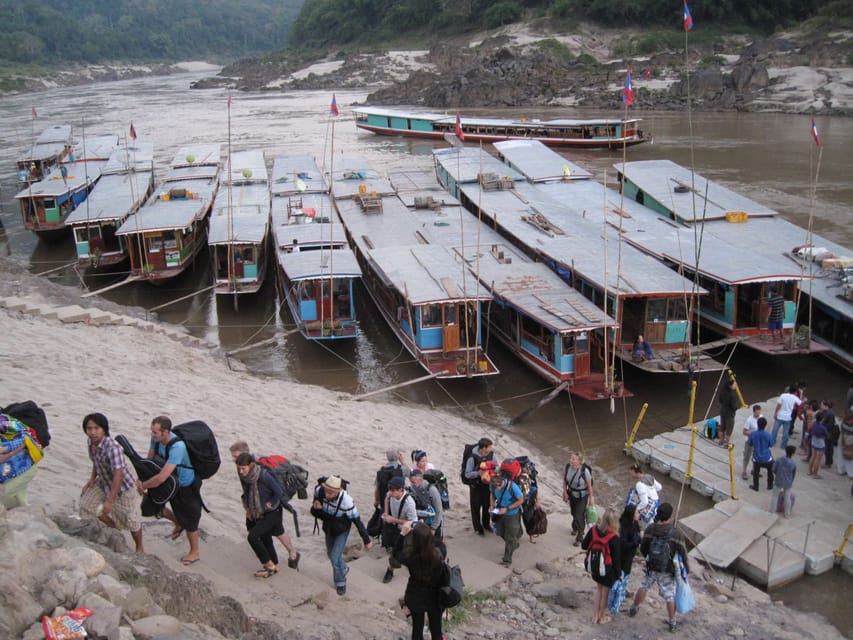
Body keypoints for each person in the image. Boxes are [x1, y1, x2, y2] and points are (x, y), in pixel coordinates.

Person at [136, 416, 202, 565]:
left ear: (165, 432)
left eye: (155, 433)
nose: (152, 435)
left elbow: (162, 477)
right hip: (169, 480)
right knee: (151, 508)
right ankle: (178, 522)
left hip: (185, 484)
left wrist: (144, 486)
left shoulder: (178, 447)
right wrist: (141, 478)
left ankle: (194, 552)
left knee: (190, 518)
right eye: (152, 432)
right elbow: (149, 460)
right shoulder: (156, 439)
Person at [228, 441, 300, 568]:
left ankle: (290, 553)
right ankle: (272, 560)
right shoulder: (241, 468)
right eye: (233, 456)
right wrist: (247, 507)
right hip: (256, 507)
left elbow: (276, 490)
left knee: (276, 532)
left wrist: (270, 503)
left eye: (235, 456)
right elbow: (246, 489)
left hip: (270, 509)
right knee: (261, 533)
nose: (233, 459)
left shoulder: (260, 471)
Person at [79, 413, 143, 553]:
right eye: (89, 428)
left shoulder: (113, 448)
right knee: (86, 505)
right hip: (103, 481)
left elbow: (118, 475)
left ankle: (139, 547)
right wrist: (91, 479)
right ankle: (112, 529)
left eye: (97, 428)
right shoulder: (91, 443)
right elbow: (96, 462)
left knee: (132, 521)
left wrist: (109, 500)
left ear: (104, 429)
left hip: (124, 488)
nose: (93, 432)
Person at [628, 503, 689, 632]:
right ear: (670, 516)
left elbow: (644, 548)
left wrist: (649, 557)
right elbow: (683, 552)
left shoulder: (650, 529)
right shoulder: (676, 533)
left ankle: (634, 608)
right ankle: (672, 622)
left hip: (652, 565)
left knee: (644, 586)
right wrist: (686, 570)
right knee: (669, 595)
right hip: (667, 568)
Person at [310, 474, 373, 595]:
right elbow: (314, 503)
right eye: (326, 491)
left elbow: (357, 520)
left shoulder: (346, 501)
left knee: (334, 556)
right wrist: (316, 505)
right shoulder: (319, 491)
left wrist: (367, 540)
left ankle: (340, 583)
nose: (327, 495)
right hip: (328, 527)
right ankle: (343, 567)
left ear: (338, 491)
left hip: (342, 529)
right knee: (330, 554)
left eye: (331, 493)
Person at [235, 452, 290, 577]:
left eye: (243, 468)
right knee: (264, 537)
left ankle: (269, 565)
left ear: (251, 465)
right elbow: (246, 493)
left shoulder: (264, 476)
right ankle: (274, 563)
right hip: (257, 512)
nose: (241, 471)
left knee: (253, 537)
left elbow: (278, 492)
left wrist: (271, 502)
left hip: (272, 513)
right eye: (239, 468)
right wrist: (248, 509)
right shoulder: (244, 477)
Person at [393, 521, 447, 640]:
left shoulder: (410, 557)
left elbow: (396, 553)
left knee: (417, 630)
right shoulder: (439, 554)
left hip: (416, 595)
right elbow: (440, 543)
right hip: (435, 596)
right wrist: (426, 533)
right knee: (436, 630)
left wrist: (403, 533)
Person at [582, 508, 621, 625]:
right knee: (605, 593)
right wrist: (619, 575)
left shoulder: (594, 530)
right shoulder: (614, 537)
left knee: (598, 591)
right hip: (607, 569)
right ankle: (602, 617)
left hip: (595, 567)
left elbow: (584, 545)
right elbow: (617, 559)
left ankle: (595, 617)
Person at [0, 413, 40, 509]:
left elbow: (26, 437)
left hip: (25, 468)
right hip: (7, 471)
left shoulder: (4, 422)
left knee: (5, 494)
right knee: (20, 502)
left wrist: (7, 455)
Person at [382, 475, 417, 583]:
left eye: (393, 490)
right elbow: (386, 498)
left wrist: (393, 519)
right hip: (394, 528)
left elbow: (413, 522)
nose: (391, 492)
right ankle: (391, 569)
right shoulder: (390, 494)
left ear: (401, 489)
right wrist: (386, 513)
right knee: (394, 551)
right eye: (390, 489)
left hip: (405, 531)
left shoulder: (409, 503)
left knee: (403, 552)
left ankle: (392, 570)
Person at [490, 464, 524, 567]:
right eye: (495, 488)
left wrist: (508, 508)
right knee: (500, 532)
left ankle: (507, 560)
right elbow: (491, 494)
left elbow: (521, 500)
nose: (497, 490)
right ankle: (515, 541)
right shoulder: (493, 485)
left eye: (499, 487)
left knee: (509, 537)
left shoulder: (513, 487)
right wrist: (491, 505)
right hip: (500, 512)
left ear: (502, 483)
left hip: (511, 514)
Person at [463, 437, 495, 536]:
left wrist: (492, 470)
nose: (491, 448)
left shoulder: (491, 455)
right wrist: (478, 473)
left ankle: (486, 524)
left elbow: (496, 465)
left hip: (487, 486)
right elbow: (467, 474)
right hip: (475, 486)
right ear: (483, 448)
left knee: (487, 506)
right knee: (475, 507)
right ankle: (478, 528)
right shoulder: (472, 458)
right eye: (489, 447)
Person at [563, 452, 594, 546]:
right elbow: (564, 480)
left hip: (582, 496)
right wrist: (564, 492)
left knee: (579, 515)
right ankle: (575, 527)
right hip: (572, 494)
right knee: (573, 512)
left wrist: (591, 498)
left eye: (573, 459)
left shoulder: (585, 472)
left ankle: (580, 537)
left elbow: (589, 486)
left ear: (579, 462)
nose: (571, 460)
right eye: (571, 458)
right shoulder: (568, 467)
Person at [408, 468, 444, 541]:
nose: (412, 484)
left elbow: (439, 510)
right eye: (411, 482)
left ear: (420, 480)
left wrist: (434, 528)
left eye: (413, 482)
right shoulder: (412, 489)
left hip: (433, 524)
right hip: (420, 524)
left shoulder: (432, 490)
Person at [626, 463, 661, 528]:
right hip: (656, 507)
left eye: (631, 474)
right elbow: (659, 487)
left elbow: (645, 502)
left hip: (649, 511)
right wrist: (651, 491)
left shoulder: (639, 484)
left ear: (635, 471)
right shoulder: (650, 477)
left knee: (648, 529)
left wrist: (636, 509)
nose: (631, 476)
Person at [771, 384, 803, 450]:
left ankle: (772, 442)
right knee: (785, 433)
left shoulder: (783, 395)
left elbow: (778, 405)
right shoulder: (795, 398)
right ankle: (783, 445)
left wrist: (775, 413)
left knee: (775, 430)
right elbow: (800, 403)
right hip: (788, 418)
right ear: (795, 391)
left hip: (780, 416)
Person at [375, 448, 407, 514]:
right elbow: (411, 473)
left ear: (387, 457)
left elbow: (377, 488)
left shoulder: (380, 470)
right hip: (399, 501)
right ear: (398, 456)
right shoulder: (402, 469)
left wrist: (377, 501)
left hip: (383, 501)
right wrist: (402, 462)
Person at [748, 417, 774, 491]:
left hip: (757, 458)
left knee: (756, 472)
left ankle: (756, 486)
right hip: (767, 458)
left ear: (758, 424)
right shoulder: (768, 434)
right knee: (770, 471)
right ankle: (770, 485)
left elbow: (750, 443)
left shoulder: (753, 434)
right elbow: (771, 444)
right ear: (765, 425)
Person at [618, 504, 642, 588]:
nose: (638, 514)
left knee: (627, 572)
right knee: (622, 572)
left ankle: (622, 588)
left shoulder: (635, 524)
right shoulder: (624, 527)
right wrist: (634, 543)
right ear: (631, 515)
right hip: (622, 555)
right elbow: (623, 544)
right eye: (636, 513)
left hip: (630, 555)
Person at [772, 445, 797, 517]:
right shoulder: (793, 463)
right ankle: (787, 514)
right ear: (793, 454)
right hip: (788, 482)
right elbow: (793, 474)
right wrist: (791, 481)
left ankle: (772, 512)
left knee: (775, 496)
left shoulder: (779, 460)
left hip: (779, 480)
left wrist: (778, 474)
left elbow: (774, 469)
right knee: (787, 498)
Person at [741, 405, 763, 480]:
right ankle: (744, 472)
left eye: (759, 412)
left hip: (758, 442)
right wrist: (753, 434)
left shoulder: (761, 417)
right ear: (754, 412)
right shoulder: (749, 420)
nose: (758, 414)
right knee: (747, 457)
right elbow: (744, 432)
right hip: (749, 442)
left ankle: (754, 470)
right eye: (757, 413)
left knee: (756, 457)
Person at [717, 379, 740, 447]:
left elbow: (720, 400)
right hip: (729, 414)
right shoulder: (732, 395)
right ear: (730, 385)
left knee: (722, 426)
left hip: (723, 411)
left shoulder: (723, 391)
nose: (735, 385)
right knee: (729, 428)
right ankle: (727, 444)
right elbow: (734, 406)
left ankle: (721, 440)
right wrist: (737, 406)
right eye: (734, 384)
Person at [808, 408, 828, 479]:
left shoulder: (814, 423)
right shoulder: (823, 428)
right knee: (818, 460)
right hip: (820, 444)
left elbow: (810, 428)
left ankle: (810, 471)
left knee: (813, 456)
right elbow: (826, 435)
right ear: (822, 419)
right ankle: (815, 474)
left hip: (813, 442)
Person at [817, 400, 838, 468]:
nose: (820, 406)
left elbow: (830, 425)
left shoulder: (830, 414)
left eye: (822, 405)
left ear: (826, 406)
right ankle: (828, 462)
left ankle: (828, 463)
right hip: (826, 433)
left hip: (829, 434)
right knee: (827, 449)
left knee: (828, 449)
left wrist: (822, 425)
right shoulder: (825, 412)